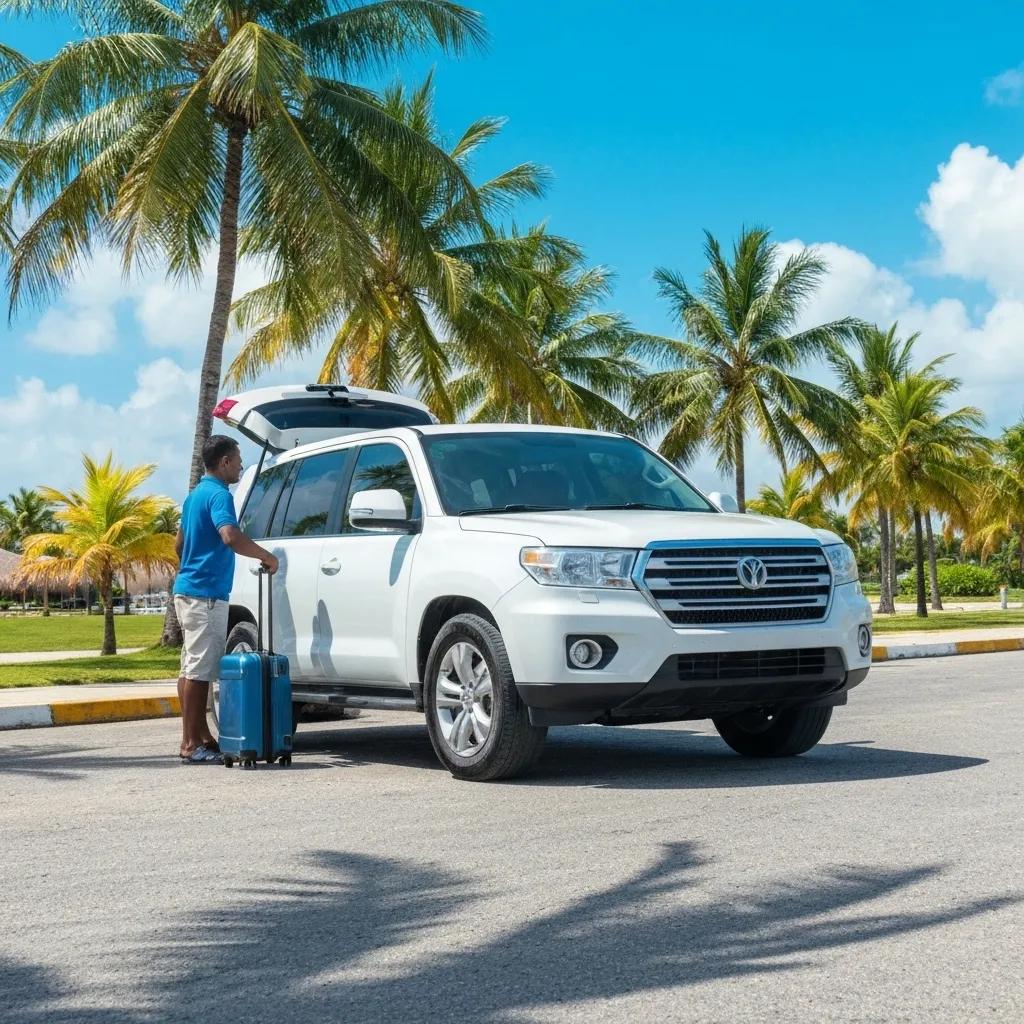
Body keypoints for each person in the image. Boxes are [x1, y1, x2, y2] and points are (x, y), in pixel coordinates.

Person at [174, 436, 278, 764]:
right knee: (200, 670)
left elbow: (180, 544)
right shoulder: (220, 495)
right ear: (224, 463)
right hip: (205, 595)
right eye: (237, 459)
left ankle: (200, 735)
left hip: (188, 589)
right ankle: (191, 744)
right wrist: (266, 556)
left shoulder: (194, 496)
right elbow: (229, 535)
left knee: (191, 668)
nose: (241, 465)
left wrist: (196, 559)